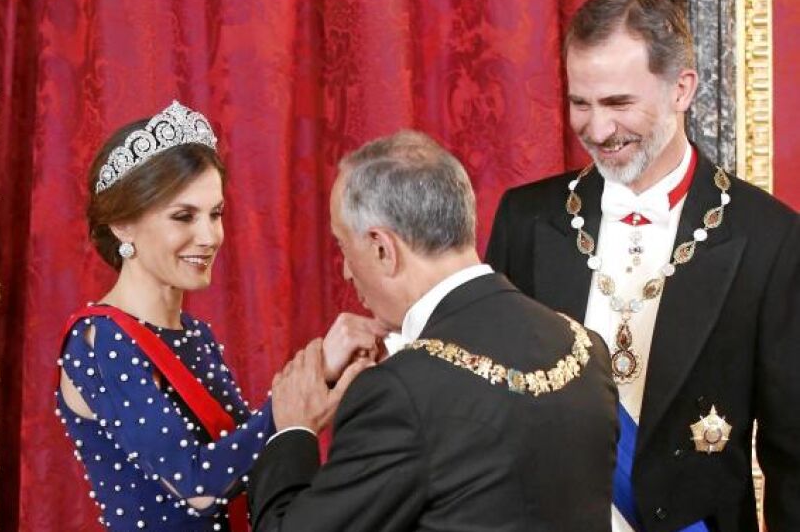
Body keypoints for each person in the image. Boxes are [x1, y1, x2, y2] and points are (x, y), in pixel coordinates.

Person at [486, 0, 800, 532]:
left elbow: (793, 454)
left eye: (618, 104)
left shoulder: (768, 237)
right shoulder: (526, 219)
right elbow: (488, 411)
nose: (597, 130)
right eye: (581, 103)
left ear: (682, 88)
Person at [248, 131, 619, 531]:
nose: (346, 271)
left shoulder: (398, 393)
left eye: (343, 246)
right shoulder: (584, 347)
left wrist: (294, 430)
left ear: (382, 248)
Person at [55, 100, 383, 531]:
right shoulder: (100, 337)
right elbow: (196, 484)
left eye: (216, 214)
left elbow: (252, 461)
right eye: (183, 217)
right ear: (122, 225)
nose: (209, 236)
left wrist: (324, 374)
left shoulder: (195, 334)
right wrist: (305, 390)